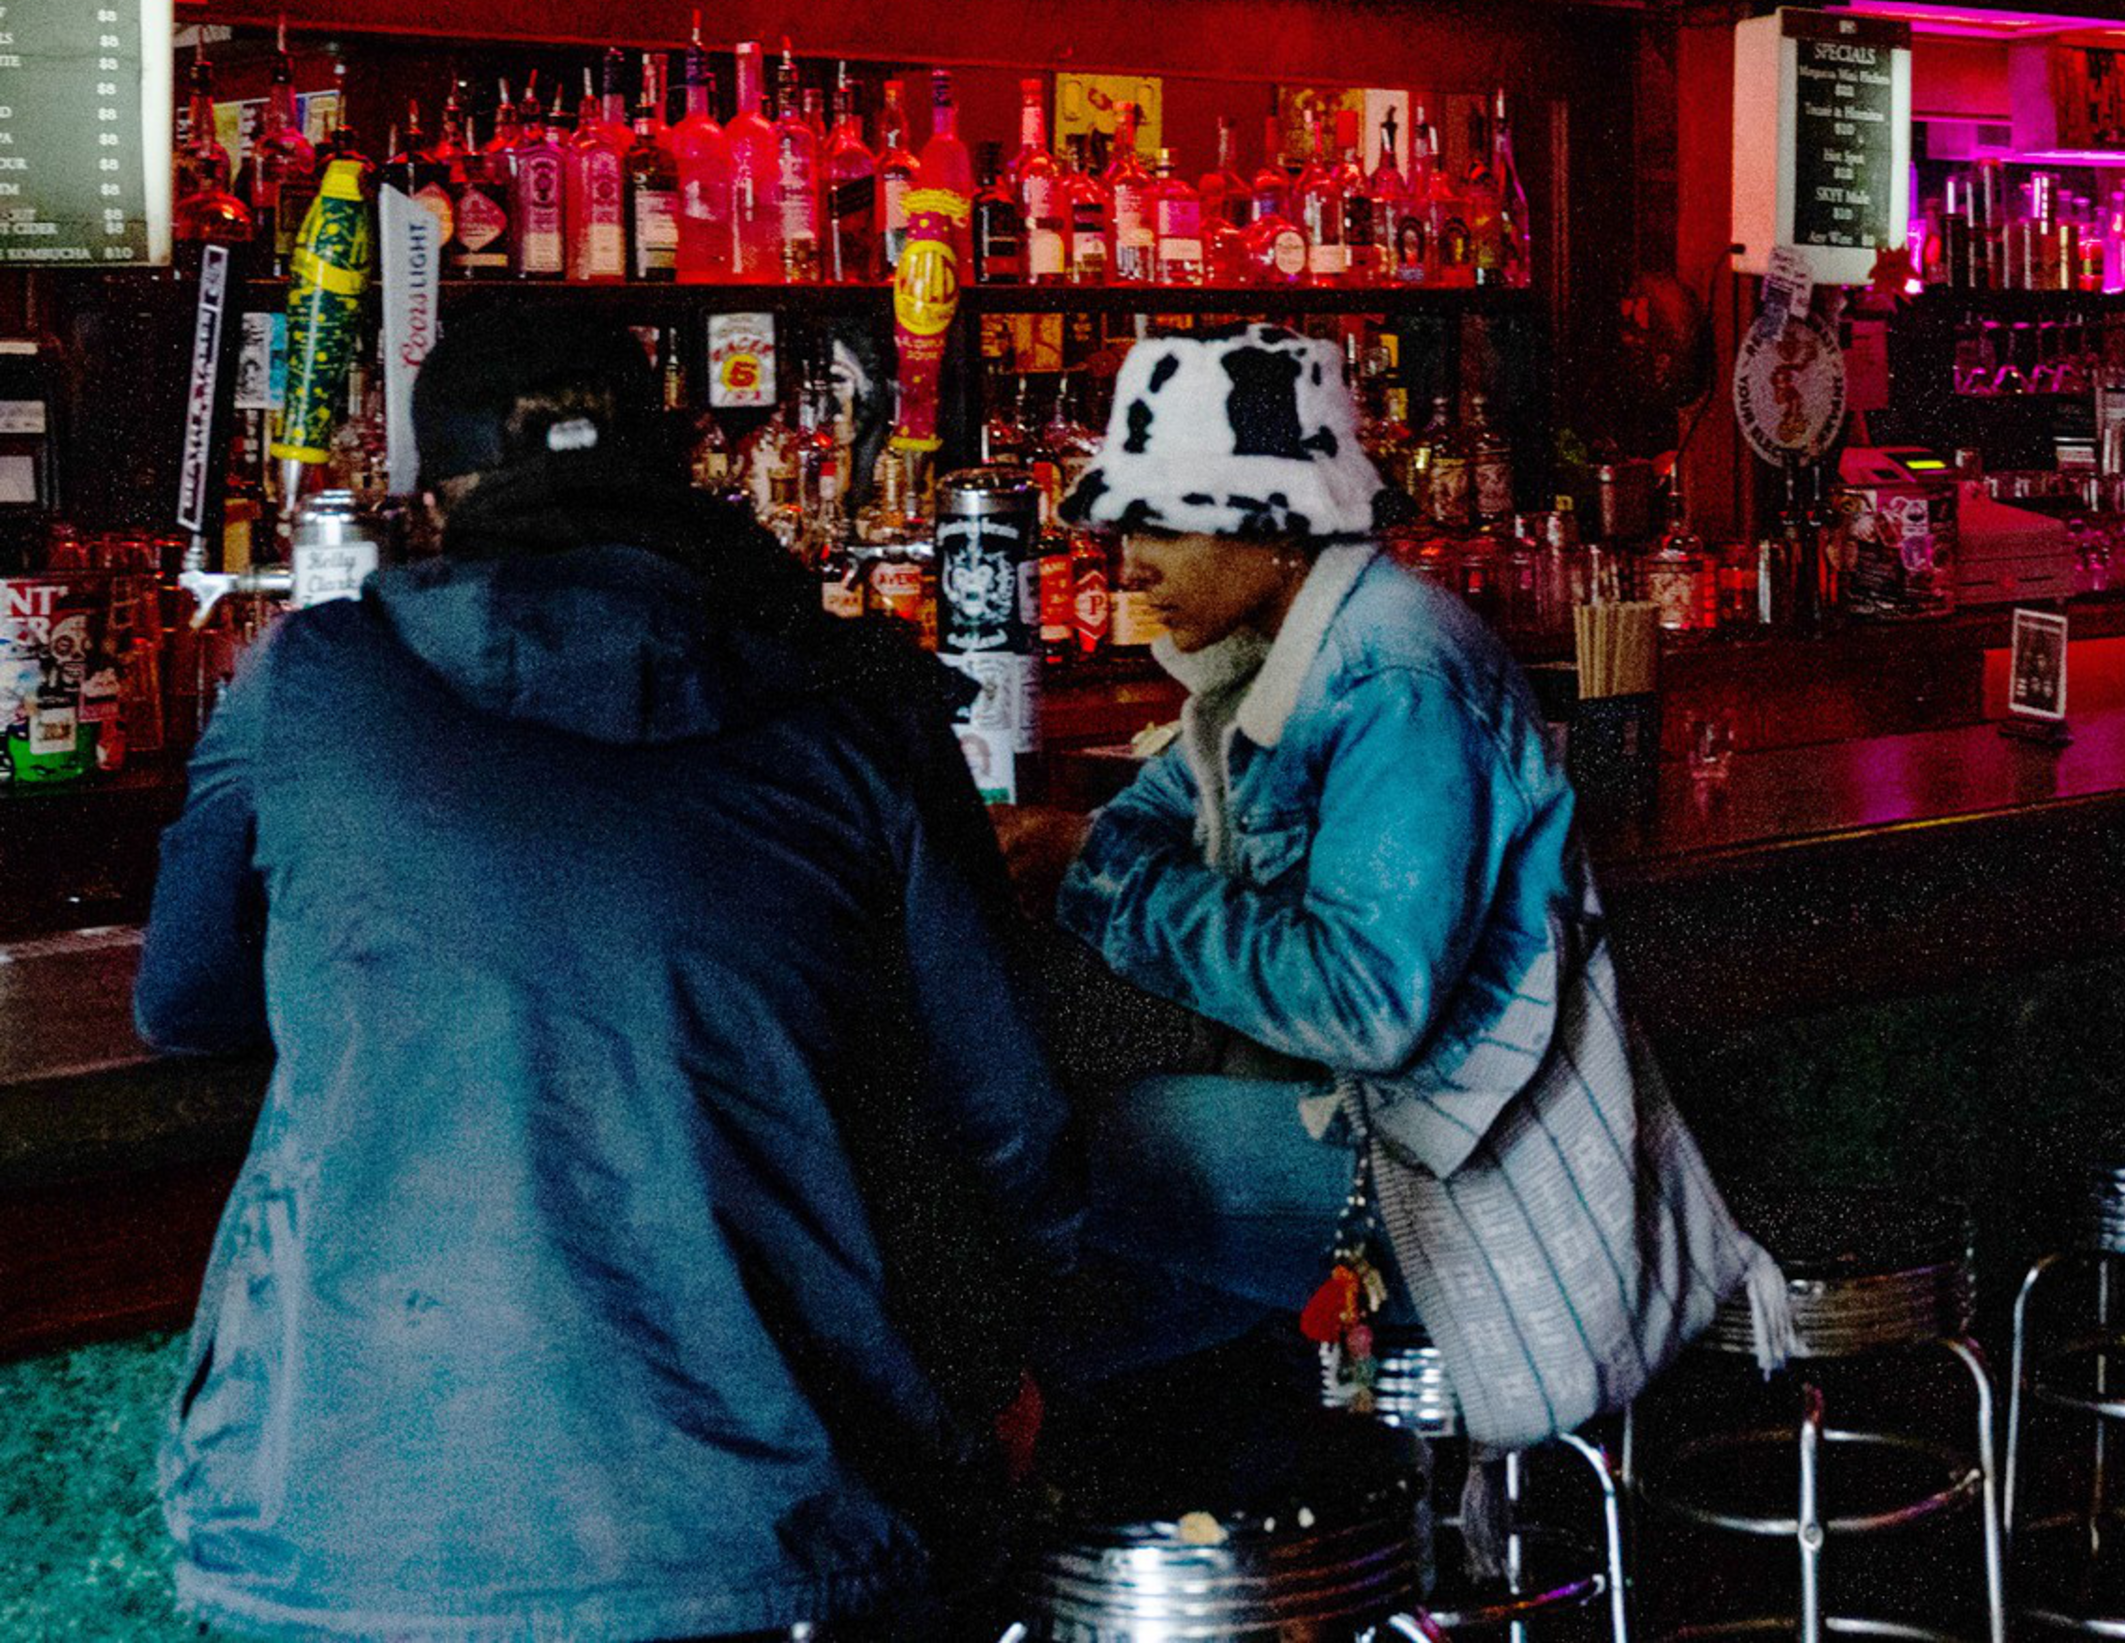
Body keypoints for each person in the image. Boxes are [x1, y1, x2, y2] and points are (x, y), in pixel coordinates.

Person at [138, 306, 1078, 1643]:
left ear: (439, 495)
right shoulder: (852, 701)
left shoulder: (307, 684)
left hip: (347, 1530)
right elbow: (1012, 1117)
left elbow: (180, 999)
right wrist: (1004, 1363)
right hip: (777, 1537)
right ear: (669, 458)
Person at [1048, 324, 1771, 1445]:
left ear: (1277, 528)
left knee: (1056, 1160)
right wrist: (1080, 843)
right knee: (1049, 1303)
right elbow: (1143, 819)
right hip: (1365, 1135)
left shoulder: (1396, 672)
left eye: (1162, 522)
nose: (1125, 560)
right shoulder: (1273, 658)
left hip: (1462, 1170)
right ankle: (1221, 1536)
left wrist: (1097, 875)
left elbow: (1365, 1000)